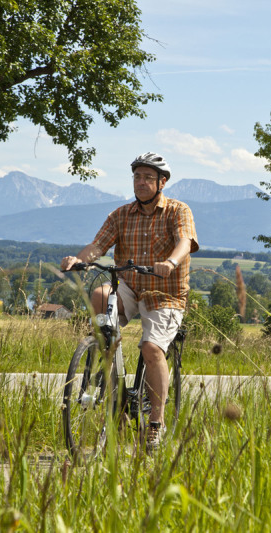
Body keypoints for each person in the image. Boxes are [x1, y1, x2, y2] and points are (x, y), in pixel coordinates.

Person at [61, 152, 198, 451]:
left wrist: (171, 263)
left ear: (162, 182)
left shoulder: (177, 210)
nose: (141, 182)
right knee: (100, 295)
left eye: (148, 177)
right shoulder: (121, 214)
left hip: (165, 292)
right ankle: (114, 385)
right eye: (137, 177)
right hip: (131, 286)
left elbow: (185, 242)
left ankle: (156, 423)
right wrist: (78, 260)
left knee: (151, 348)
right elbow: (98, 245)